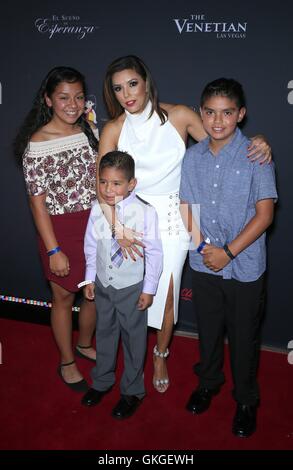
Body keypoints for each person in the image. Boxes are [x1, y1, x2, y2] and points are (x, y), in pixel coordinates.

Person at [98, 55, 272, 393]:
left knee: (167, 294)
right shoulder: (114, 128)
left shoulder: (178, 115)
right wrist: (118, 228)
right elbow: (100, 185)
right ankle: (127, 361)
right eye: (118, 89)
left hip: (176, 216)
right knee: (129, 292)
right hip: (130, 218)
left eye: (132, 84)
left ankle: (160, 353)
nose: (126, 94)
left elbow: (219, 134)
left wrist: (259, 141)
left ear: (146, 81)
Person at [179, 78, 277, 437]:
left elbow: (264, 215)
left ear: (241, 114)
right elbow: (185, 208)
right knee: (207, 332)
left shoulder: (256, 154)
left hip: (246, 266)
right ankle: (208, 382)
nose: (217, 121)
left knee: (243, 337)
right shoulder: (192, 157)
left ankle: (246, 399)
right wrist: (208, 251)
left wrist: (229, 252)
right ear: (201, 113)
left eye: (227, 113)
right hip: (204, 262)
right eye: (210, 112)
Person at [15, 66, 99, 392]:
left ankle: (85, 343)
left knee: (93, 294)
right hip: (60, 230)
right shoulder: (37, 144)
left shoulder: (88, 129)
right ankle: (67, 361)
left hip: (94, 225)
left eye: (78, 97)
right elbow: (37, 203)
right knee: (63, 299)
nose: (73, 104)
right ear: (48, 100)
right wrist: (53, 249)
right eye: (64, 97)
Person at [80, 151, 163, 419]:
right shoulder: (97, 209)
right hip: (104, 284)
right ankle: (102, 381)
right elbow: (91, 246)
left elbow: (155, 253)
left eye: (116, 183)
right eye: (103, 182)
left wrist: (149, 289)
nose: (108, 189)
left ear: (131, 184)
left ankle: (132, 391)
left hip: (131, 288)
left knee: (133, 340)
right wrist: (90, 277)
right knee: (104, 334)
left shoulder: (145, 213)